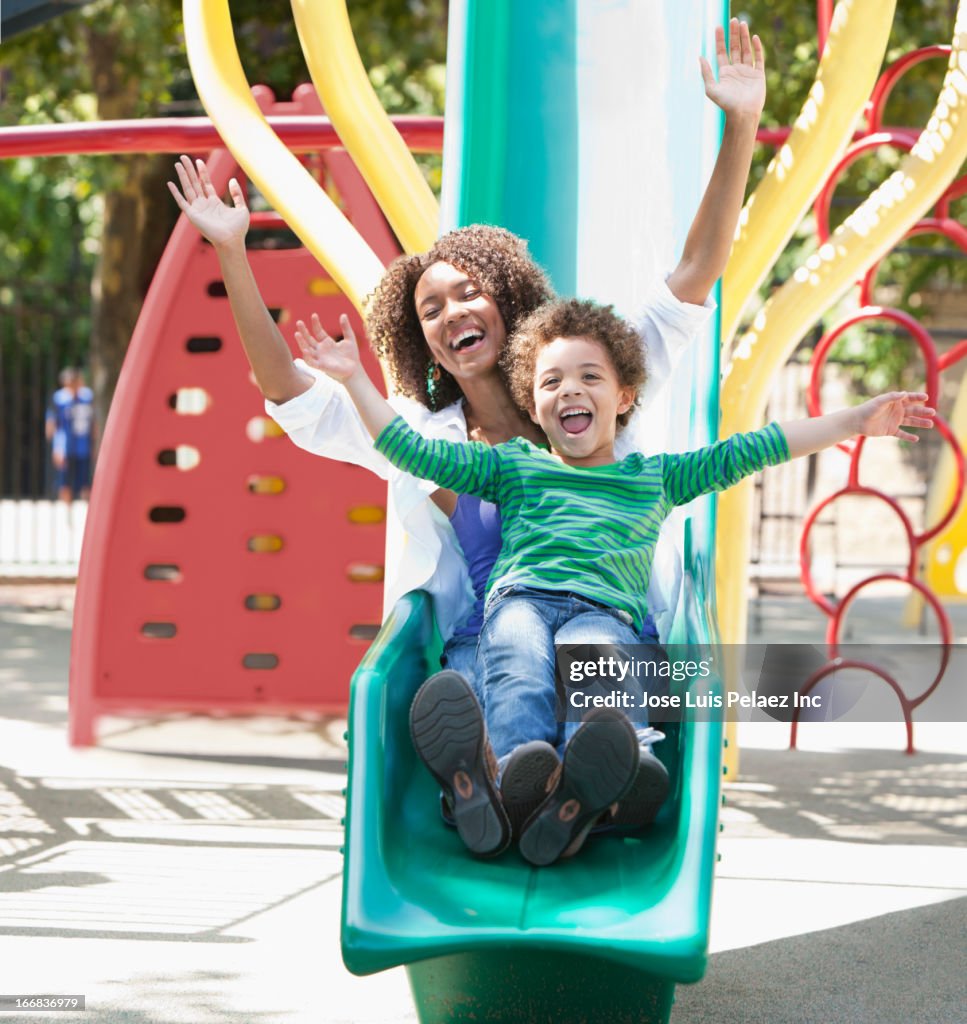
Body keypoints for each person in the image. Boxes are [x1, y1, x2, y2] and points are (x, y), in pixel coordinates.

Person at [167, 20, 766, 833]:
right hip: (498, 643)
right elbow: (291, 396)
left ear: (508, 298)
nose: (453, 312)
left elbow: (693, 279)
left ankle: (556, 790)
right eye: (430, 310)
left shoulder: (581, 390)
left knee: (589, 669)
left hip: (599, 630)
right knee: (500, 667)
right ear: (424, 344)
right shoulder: (418, 435)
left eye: (468, 292)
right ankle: (514, 789)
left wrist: (737, 128)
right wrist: (234, 254)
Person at [295, 297, 936, 864]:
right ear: (535, 405)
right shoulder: (514, 465)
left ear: (624, 396)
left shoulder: (655, 477)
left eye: (588, 377)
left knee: (597, 660)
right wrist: (354, 379)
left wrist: (852, 421)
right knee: (517, 657)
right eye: (551, 381)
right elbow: (415, 453)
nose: (569, 389)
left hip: (606, 612)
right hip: (520, 599)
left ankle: (590, 778)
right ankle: (525, 777)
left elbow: (756, 447)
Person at [46, 367, 96, 502]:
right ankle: (67, 513)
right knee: (64, 481)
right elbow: (52, 423)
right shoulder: (59, 399)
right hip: (65, 447)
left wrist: (94, 445)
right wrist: (56, 447)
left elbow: (93, 423)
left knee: (85, 481)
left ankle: (87, 511)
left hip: (83, 447)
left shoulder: (88, 397)